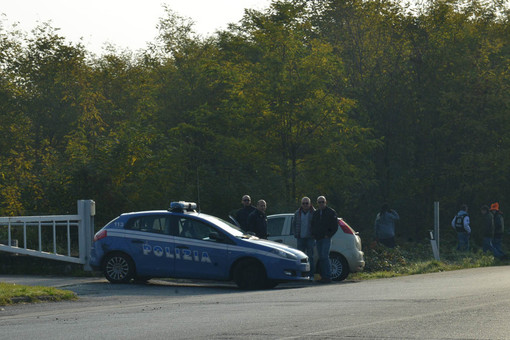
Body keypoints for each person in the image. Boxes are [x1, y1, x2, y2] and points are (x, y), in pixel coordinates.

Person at [311, 196, 338, 283]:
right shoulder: (316, 213)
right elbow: (313, 225)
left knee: (325, 256)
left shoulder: (331, 212)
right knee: (321, 257)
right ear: (317, 203)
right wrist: (314, 235)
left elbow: (334, 226)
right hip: (318, 239)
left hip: (326, 238)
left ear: (326, 202)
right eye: (319, 202)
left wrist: (328, 235)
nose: (321, 204)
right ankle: (323, 276)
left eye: (322, 202)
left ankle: (328, 276)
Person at [292, 197, 316, 278]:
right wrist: (296, 234)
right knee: (300, 259)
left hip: (310, 238)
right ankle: (301, 276)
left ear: (310, 204)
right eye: (303, 203)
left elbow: (317, 225)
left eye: (307, 203)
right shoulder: (297, 213)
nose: (305, 205)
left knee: (310, 258)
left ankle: (311, 275)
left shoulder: (314, 213)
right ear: (301, 204)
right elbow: (294, 224)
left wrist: (314, 235)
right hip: (300, 238)